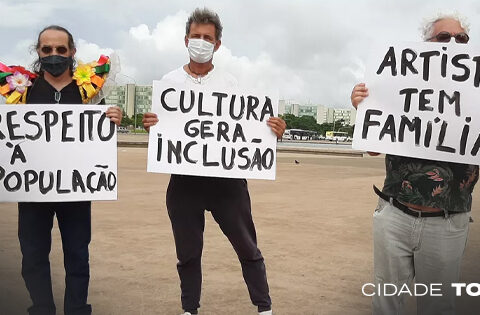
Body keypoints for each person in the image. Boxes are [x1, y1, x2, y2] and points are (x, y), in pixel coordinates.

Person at [143, 8, 285, 315]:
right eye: (196, 36)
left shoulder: (232, 84)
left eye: (208, 38)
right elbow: (165, 127)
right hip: (184, 183)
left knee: (248, 248)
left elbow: (252, 130)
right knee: (188, 254)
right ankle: (189, 309)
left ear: (217, 45)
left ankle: (264, 308)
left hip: (228, 184)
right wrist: (153, 124)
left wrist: (275, 130)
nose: (201, 42)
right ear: (186, 40)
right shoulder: (168, 82)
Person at [351, 13, 477, 315]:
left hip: (448, 222)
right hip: (395, 216)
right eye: (444, 37)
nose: (453, 44)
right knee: (386, 304)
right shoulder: (396, 83)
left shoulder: (476, 92)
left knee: (438, 306)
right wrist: (363, 109)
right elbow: (371, 150)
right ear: (427, 45)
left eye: (461, 39)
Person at [0, 25, 122, 315]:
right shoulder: (22, 92)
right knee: (32, 256)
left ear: (72, 53)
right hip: (32, 191)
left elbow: (98, 137)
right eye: (47, 50)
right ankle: (41, 308)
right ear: (38, 52)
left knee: (78, 256)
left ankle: (77, 309)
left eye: (61, 50)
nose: (54, 55)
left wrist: (113, 118)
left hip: (76, 191)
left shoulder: (88, 92)